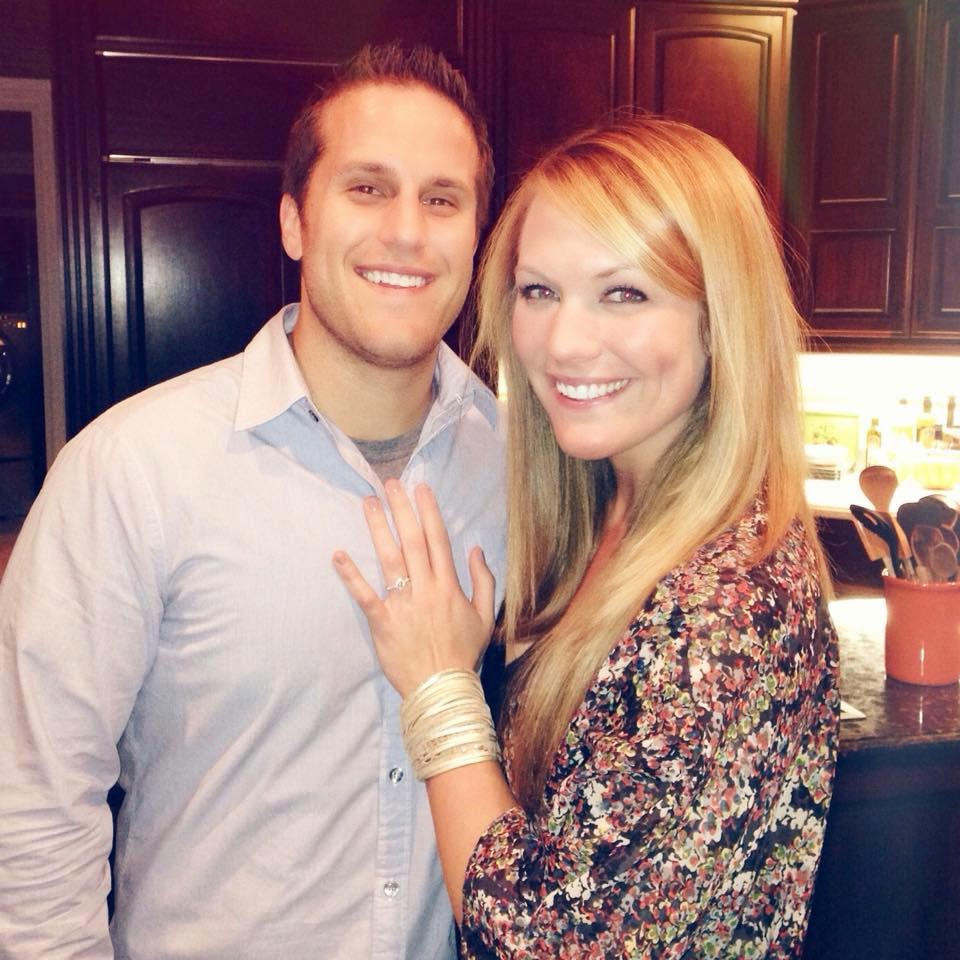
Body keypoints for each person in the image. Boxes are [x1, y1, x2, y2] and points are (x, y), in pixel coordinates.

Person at [0, 43, 505, 959]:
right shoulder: (133, 470)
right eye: (366, 188)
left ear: (477, 234)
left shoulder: (521, 469)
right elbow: (29, 806)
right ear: (294, 221)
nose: (406, 231)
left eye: (442, 199)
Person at [333, 116, 840, 958]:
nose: (564, 343)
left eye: (625, 293)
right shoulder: (607, 508)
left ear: (721, 318)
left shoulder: (723, 610)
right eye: (539, 291)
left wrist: (438, 684)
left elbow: (545, 942)